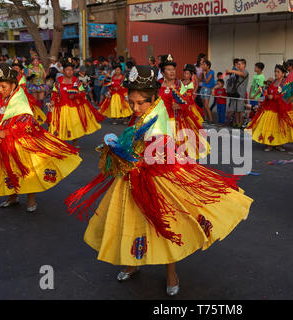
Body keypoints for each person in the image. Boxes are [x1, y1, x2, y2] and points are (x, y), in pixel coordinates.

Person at [65, 65, 253, 296]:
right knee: (130, 222)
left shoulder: (157, 120)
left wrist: (125, 157)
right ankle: (132, 262)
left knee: (164, 226)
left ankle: (171, 273)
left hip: (156, 180)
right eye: (131, 102)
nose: (135, 107)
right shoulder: (146, 112)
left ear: (153, 97)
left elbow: (156, 156)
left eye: (140, 102)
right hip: (132, 179)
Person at [0, 63, 81, 212]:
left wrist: (7, 132)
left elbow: (26, 121)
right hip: (4, 139)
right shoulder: (3, 97)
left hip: (21, 140)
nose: (0, 90)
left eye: (3, 87)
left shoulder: (19, 98)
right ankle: (13, 196)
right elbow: (1, 117)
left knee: (26, 170)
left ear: (13, 85)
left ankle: (31, 200)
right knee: (7, 168)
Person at [246, 63, 293, 152]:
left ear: (283, 74)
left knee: (280, 128)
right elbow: (269, 93)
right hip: (270, 109)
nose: (276, 73)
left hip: (280, 109)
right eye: (275, 71)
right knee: (270, 127)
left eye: (278, 72)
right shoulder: (273, 82)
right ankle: (269, 144)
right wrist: (267, 96)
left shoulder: (284, 84)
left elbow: (286, 96)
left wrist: (273, 97)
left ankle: (278, 144)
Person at [158, 54, 209, 159]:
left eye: (173, 69)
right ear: (163, 73)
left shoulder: (179, 84)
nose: (172, 71)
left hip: (175, 121)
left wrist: (180, 106)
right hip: (160, 120)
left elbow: (187, 101)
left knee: (176, 150)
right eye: (168, 69)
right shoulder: (157, 85)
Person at [47, 57, 104, 145]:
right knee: (61, 124)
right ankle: (60, 141)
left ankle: (75, 141)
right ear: (63, 71)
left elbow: (83, 93)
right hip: (60, 106)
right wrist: (52, 101)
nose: (69, 71)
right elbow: (54, 92)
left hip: (73, 106)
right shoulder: (58, 81)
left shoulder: (76, 81)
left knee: (74, 124)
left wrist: (75, 95)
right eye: (67, 70)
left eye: (71, 70)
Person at [12, 59, 46, 125]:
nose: (15, 69)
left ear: (20, 70)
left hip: (21, 98)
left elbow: (22, 90)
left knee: (38, 101)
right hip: (14, 98)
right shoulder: (11, 77)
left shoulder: (22, 78)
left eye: (17, 68)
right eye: (14, 68)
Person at [226, 58, 249, 129]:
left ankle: (241, 124)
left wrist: (232, 71)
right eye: (237, 64)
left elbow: (242, 74)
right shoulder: (236, 72)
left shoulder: (245, 72)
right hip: (235, 93)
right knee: (235, 110)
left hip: (241, 93)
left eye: (239, 64)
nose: (238, 65)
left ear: (243, 65)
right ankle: (236, 122)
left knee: (240, 110)